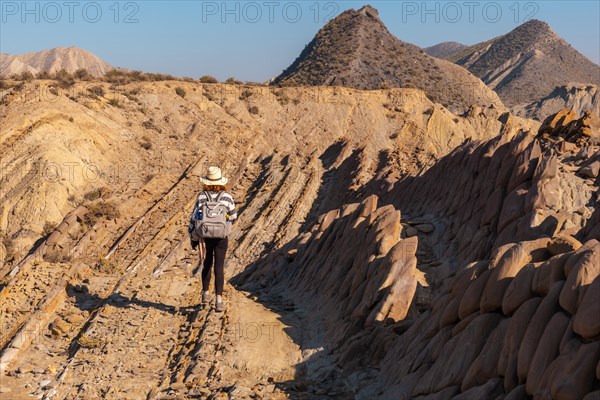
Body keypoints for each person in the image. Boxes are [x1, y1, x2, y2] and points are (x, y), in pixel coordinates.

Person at [188, 166, 237, 312]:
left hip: (205, 235)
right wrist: (224, 225)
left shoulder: (202, 196)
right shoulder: (227, 197)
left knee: (207, 262)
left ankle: (205, 293)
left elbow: (194, 217)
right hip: (221, 236)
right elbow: (233, 217)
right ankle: (219, 301)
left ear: (206, 182)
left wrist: (192, 235)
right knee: (219, 266)